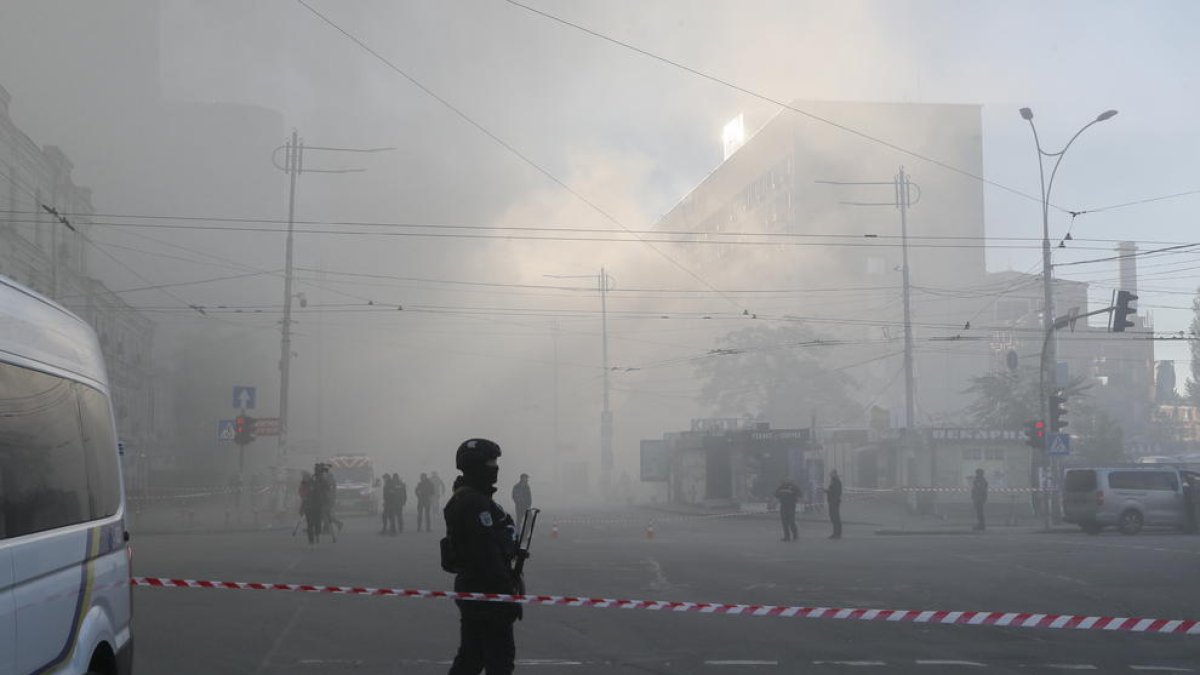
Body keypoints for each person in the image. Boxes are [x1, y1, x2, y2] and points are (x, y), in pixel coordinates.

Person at [443, 438, 523, 674]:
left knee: (471, 658)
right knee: (499, 660)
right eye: (490, 463)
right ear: (476, 467)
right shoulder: (474, 504)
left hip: (475, 589)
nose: (495, 467)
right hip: (487, 592)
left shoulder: (472, 499)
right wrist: (506, 595)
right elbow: (486, 554)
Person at [827, 470, 843, 539]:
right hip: (833, 501)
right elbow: (832, 491)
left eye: (831, 474)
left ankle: (836, 534)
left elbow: (836, 492)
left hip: (834, 502)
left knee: (835, 518)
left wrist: (834, 501)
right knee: (834, 518)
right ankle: (836, 533)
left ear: (835, 474)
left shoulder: (836, 481)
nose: (830, 475)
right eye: (830, 474)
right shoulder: (834, 481)